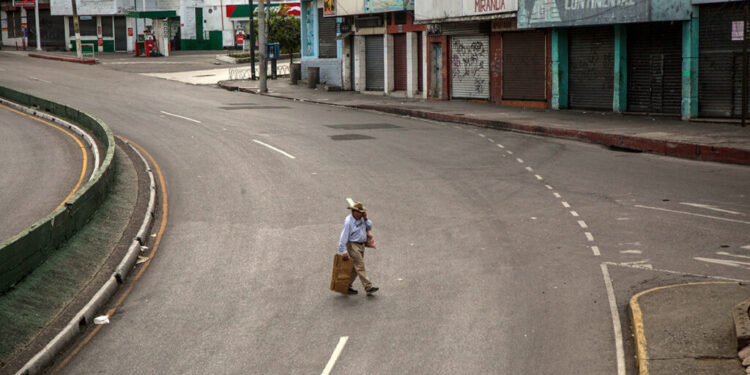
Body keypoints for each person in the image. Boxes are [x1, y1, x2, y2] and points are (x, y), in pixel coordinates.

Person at [338, 201, 379, 296]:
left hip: (361, 245)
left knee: (355, 269)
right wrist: (343, 251)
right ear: (354, 211)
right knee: (360, 266)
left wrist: (365, 219)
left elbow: (369, 227)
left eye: (362, 212)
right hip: (353, 245)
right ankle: (368, 287)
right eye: (359, 212)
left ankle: (345, 286)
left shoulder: (362, 219)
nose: (360, 213)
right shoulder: (348, 222)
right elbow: (343, 237)